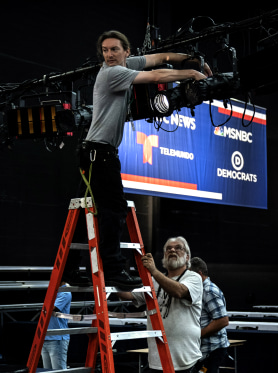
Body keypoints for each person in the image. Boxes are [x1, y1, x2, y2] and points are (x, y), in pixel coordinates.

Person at [75, 30, 212, 290]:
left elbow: (161, 58)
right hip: (99, 154)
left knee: (85, 212)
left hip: (95, 153)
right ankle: (114, 270)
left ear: (127, 51)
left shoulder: (127, 64)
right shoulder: (112, 72)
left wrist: (190, 59)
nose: (109, 55)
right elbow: (158, 75)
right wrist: (192, 74)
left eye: (114, 49)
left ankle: (71, 267)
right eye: (105, 50)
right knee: (113, 210)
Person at [118, 236, 203, 373]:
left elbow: (179, 291)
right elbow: (129, 294)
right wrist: (107, 278)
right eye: (168, 249)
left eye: (178, 248)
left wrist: (154, 271)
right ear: (164, 256)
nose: (172, 250)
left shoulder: (193, 277)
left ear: (187, 257)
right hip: (158, 359)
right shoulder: (154, 280)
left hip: (185, 360)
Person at [190, 257, 230, 373]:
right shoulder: (200, 290)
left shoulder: (209, 291)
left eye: (190, 276)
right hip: (205, 350)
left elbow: (223, 320)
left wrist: (198, 334)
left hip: (213, 349)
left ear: (199, 274)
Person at [41, 281, 72, 370]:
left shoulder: (65, 292)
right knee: (47, 371)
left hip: (57, 338)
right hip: (46, 336)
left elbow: (51, 309)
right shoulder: (54, 291)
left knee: (58, 370)